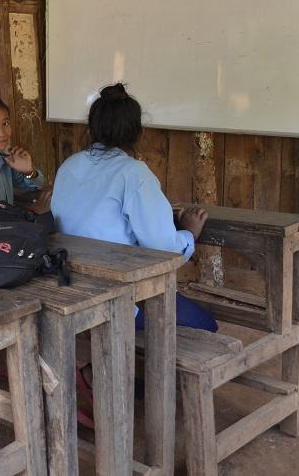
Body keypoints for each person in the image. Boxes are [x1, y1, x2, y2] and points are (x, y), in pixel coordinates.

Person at [51, 83, 217, 332]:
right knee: (207, 326)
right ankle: (143, 371)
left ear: (91, 127)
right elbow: (163, 251)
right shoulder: (133, 173)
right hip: (116, 297)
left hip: (69, 288)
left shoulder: (69, 166)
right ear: (137, 132)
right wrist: (189, 233)